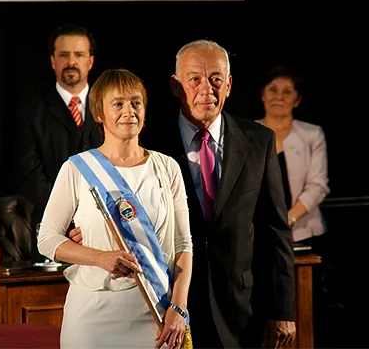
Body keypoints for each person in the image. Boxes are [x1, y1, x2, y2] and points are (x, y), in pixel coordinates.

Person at [70, 40, 296, 348]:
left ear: (229, 85)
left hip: (241, 310)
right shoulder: (146, 141)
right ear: (176, 86)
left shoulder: (259, 142)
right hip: (164, 306)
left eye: (216, 79)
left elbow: (275, 231)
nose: (207, 89)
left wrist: (282, 310)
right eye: (195, 79)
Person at [37, 69, 193, 349]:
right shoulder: (77, 168)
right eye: (118, 103)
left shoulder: (167, 167)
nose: (129, 111)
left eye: (136, 102)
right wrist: (100, 258)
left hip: (155, 312)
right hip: (92, 314)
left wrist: (179, 308)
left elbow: (183, 245)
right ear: (99, 114)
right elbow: (47, 239)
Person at [17, 24, 103, 251]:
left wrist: (93, 220)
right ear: (53, 61)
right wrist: (71, 217)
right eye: (64, 55)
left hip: (105, 229)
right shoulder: (31, 113)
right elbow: (31, 177)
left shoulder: (111, 108)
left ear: (90, 61)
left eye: (79, 55)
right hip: (54, 230)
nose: (71, 62)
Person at [257, 65, 330, 245]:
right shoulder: (246, 134)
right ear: (263, 95)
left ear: (297, 100)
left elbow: (318, 185)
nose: (279, 97)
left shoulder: (312, 134)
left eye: (287, 92)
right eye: (273, 90)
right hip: (257, 232)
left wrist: (288, 219)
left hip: (305, 232)